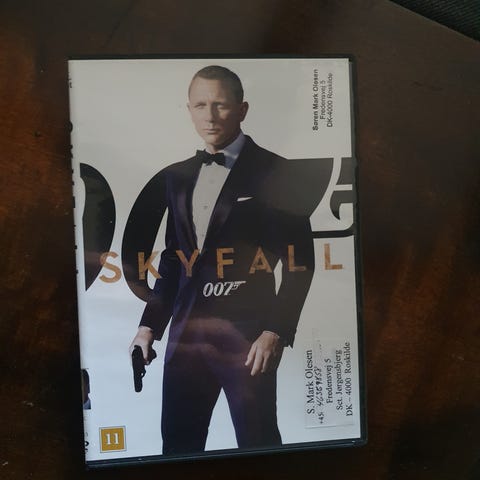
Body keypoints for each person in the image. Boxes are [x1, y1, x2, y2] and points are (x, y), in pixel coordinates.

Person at [129, 65, 314, 455]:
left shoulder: (279, 172)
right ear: (189, 110)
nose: (210, 116)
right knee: (178, 450)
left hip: (248, 339)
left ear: (242, 109)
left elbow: (300, 262)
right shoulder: (178, 177)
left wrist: (275, 331)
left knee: (259, 446)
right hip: (186, 337)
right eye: (200, 105)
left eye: (221, 105)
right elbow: (175, 261)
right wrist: (148, 327)